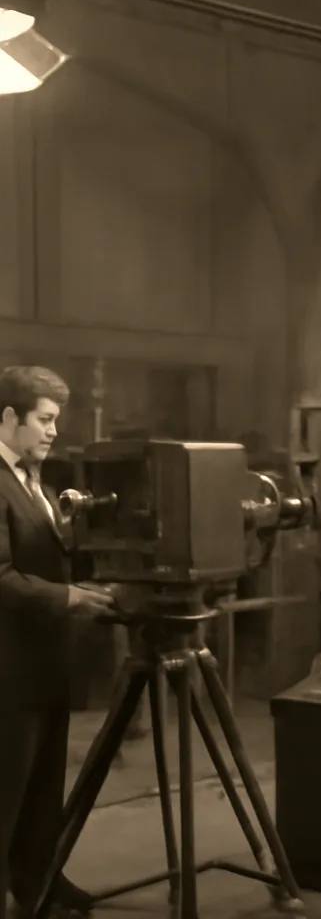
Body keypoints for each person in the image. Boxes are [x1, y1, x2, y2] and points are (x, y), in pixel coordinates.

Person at [0, 366, 116, 919]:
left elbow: (43, 559)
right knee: (8, 786)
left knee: (44, 785)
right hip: (8, 668)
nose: (52, 432)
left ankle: (38, 880)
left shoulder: (37, 483)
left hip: (45, 663)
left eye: (54, 422)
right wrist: (71, 598)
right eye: (43, 420)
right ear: (8, 418)